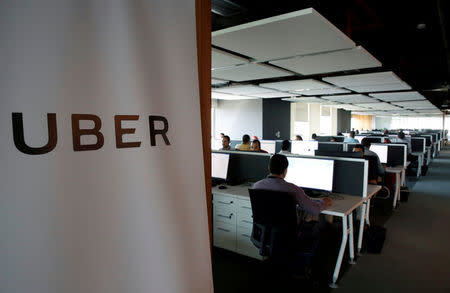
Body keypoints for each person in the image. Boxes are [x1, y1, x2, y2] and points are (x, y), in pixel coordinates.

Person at [252, 154, 332, 219]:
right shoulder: (293, 189)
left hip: (264, 232)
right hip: (287, 232)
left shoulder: (256, 186)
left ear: (269, 168)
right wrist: (324, 202)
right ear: (285, 171)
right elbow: (314, 209)